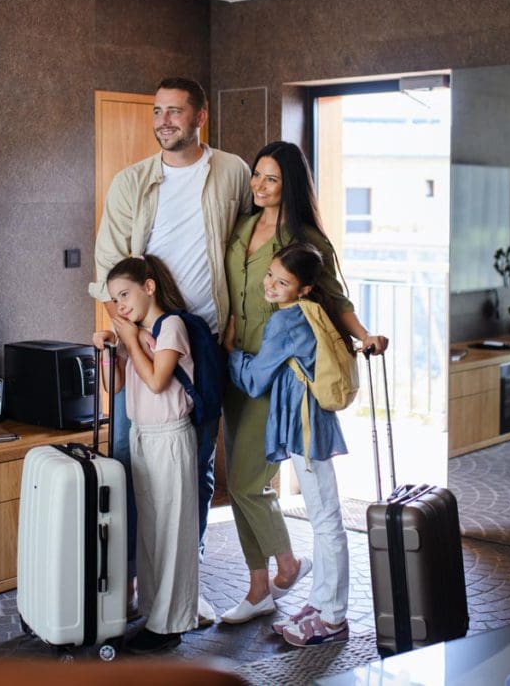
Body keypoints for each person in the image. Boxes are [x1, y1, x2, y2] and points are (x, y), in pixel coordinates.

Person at [89, 77, 252, 623]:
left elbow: (245, 249)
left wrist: (239, 323)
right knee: (130, 461)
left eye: (175, 111)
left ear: (200, 114)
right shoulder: (130, 182)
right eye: (157, 111)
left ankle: (185, 579)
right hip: (145, 336)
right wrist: (122, 329)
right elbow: (108, 266)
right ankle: (134, 581)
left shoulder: (231, 172)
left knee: (197, 470)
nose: (164, 121)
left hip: (202, 344)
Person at [220, 140, 387, 624]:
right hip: (238, 360)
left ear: (289, 184)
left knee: (250, 482)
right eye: (257, 175)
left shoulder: (306, 237)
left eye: (271, 178)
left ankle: (287, 563)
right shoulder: (242, 227)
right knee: (240, 481)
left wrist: (365, 335)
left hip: (277, 371)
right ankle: (258, 587)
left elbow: (334, 300)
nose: (259, 185)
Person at [228, 242, 352, 647]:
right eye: (270, 276)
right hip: (310, 423)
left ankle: (332, 616)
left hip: (305, 429)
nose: (270, 285)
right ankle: (321, 604)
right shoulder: (309, 311)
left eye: (282, 282)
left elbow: (254, 379)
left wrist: (231, 353)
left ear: (303, 289)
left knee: (327, 520)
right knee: (323, 518)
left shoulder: (285, 322)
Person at [91, 255, 200, 654]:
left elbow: (157, 381)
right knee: (150, 533)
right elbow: (115, 386)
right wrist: (109, 350)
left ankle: (170, 624)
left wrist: (132, 341)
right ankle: (155, 615)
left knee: (170, 531)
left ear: (149, 286)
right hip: (142, 436)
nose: (120, 306)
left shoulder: (171, 326)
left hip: (170, 438)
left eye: (125, 294)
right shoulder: (134, 332)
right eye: (115, 299)